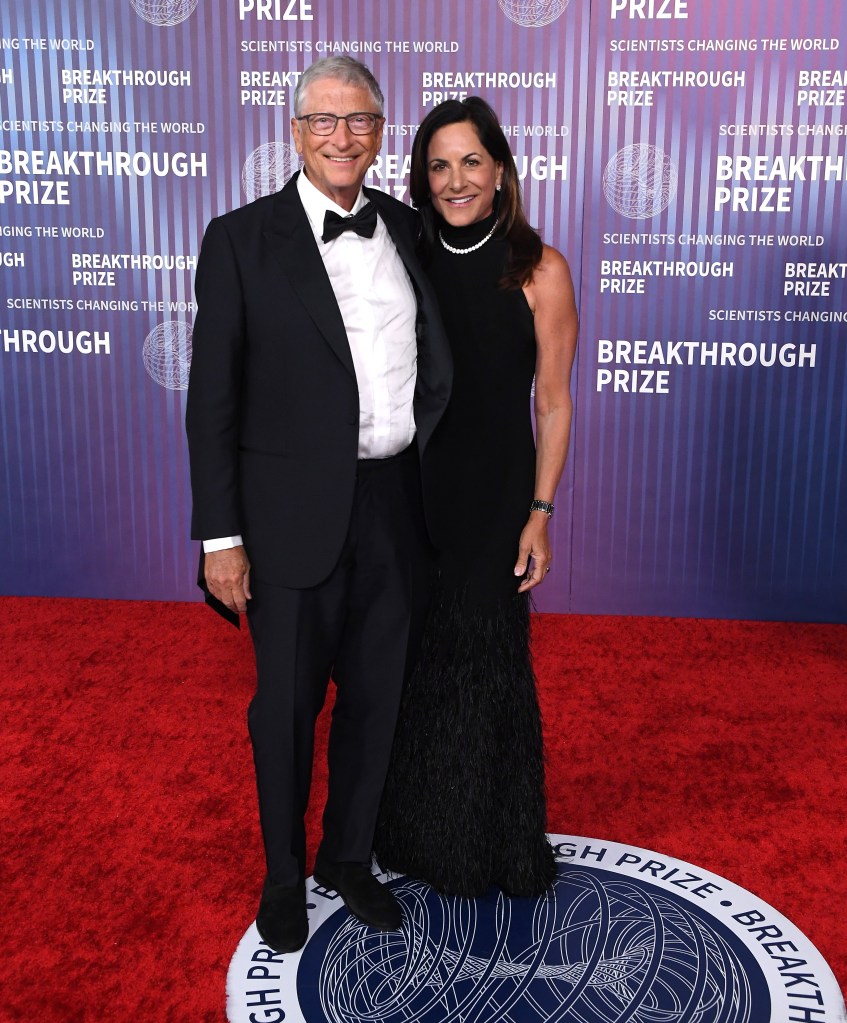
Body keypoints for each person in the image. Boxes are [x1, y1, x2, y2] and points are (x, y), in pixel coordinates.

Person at [185, 56, 451, 952]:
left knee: (378, 700)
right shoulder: (238, 238)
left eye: (361, 120)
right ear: (294, 132)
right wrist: (221, 536)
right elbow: (211, 400)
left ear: (382, 133)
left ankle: (347, 859)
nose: (343, 137)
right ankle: (283, 874)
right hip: (288, 516)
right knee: (286, 708)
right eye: (324, 121)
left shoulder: (411, 232)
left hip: (395, 508)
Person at [374, 97, 578, 898]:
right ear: (421, 179)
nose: (454, 180)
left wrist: (541, 511)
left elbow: (554, 402)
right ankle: (417, 832)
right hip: (410, 490)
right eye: (437, 164)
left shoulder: (538, 269)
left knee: (484, 667)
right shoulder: (405, 254)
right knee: (412, 664)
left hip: (496, 497)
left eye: (470, 162)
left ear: (499, 171)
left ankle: (493, 840)